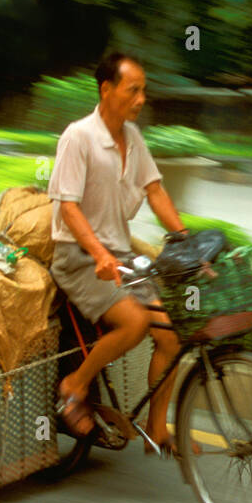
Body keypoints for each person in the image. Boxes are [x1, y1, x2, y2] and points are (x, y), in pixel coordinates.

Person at [47, 51, 190, 455]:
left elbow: (156, 191)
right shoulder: (79, 136)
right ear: (106, 90)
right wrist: (98, 253)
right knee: (135, 323)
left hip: (120, 257)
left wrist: (185, 238)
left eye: (143, 90)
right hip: (79, 258)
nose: (141, 99)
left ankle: (157, 430)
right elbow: (68, 206)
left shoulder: (133, 138)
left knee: (171, 336)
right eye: (133, 90)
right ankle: (74, 383)